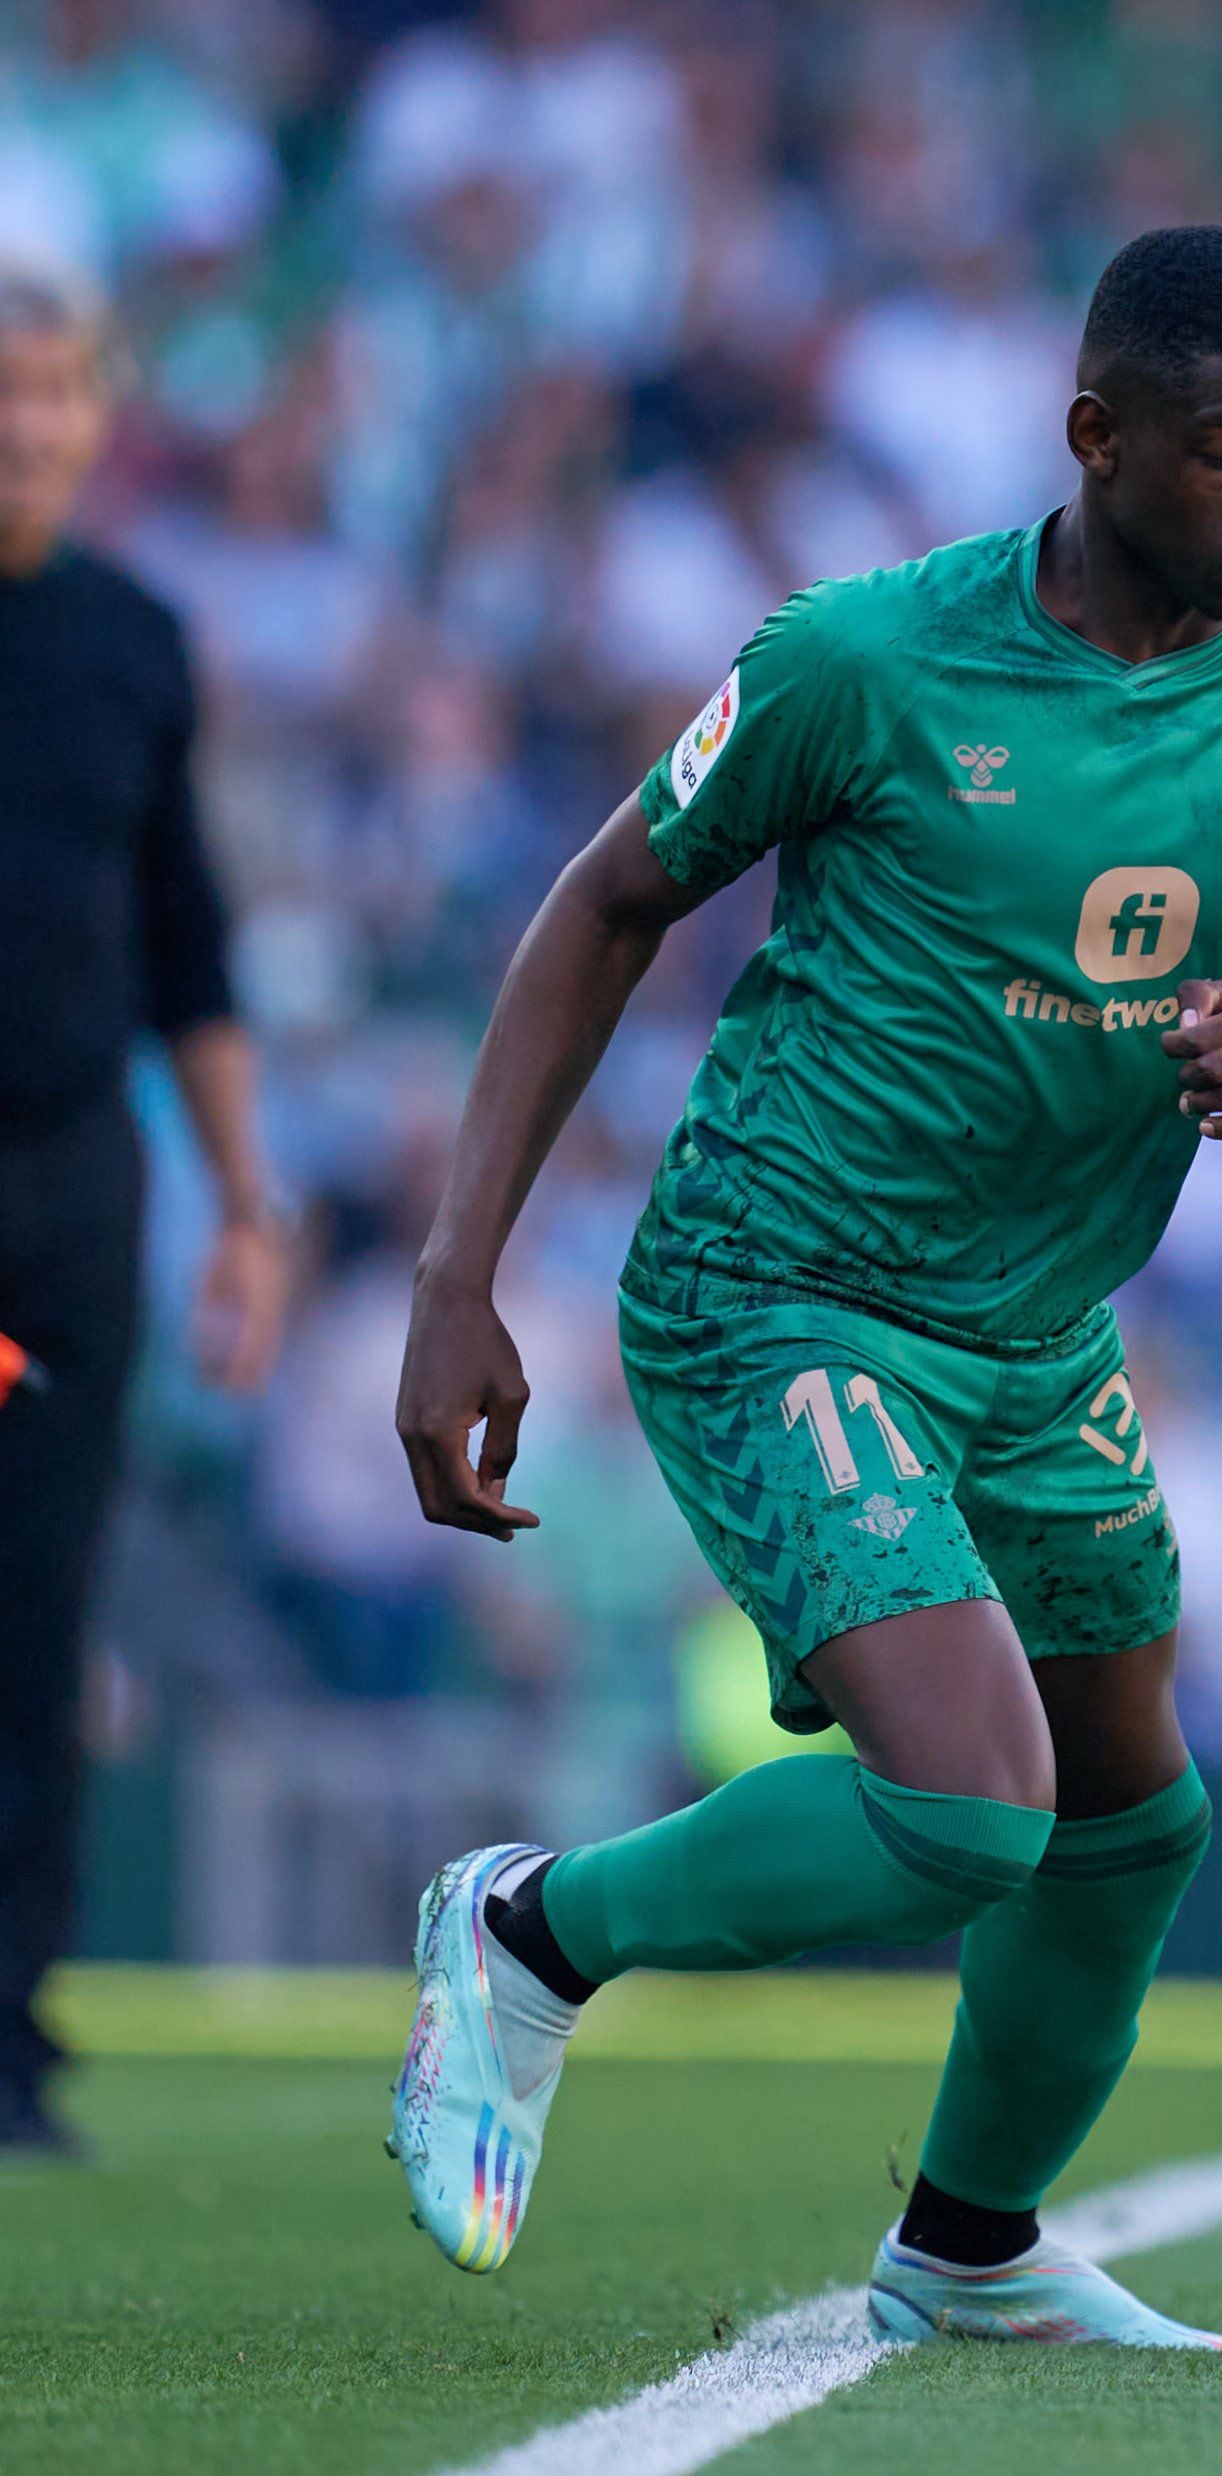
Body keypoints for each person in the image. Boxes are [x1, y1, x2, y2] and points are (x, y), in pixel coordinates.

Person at [386, 226, 1222, 2347]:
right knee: (977, 1805)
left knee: (1135, 1820)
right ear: (1094, 437)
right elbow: (606, 904)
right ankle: (530, 1927)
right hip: (777, 1280)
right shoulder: (863, 657)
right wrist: (455, 1270)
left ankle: (968, 2245)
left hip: (1034, 1328)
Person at [0, 263, 289, 2161]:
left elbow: (189, 943)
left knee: (39, 1609)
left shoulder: (133, 640)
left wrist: (250, 1209)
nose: (26, 430)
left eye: (53, 397)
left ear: (102, 416)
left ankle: (10, 2038)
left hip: (69, 1187)